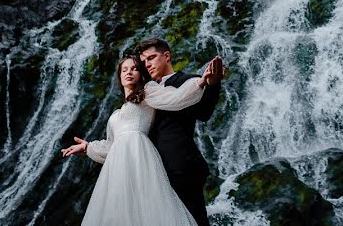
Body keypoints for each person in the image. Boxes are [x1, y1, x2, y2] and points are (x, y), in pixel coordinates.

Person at [60, 53, 222, 226]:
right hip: (118, 167)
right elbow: (111, 146)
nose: (129, 72)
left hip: (141, 159)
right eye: (124, 69)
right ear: (119, 76)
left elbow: (174, 97)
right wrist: (87, 148)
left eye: (134, 68)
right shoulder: (115, 114)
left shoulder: (147, 93)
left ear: (141, 74)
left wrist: (201, 82)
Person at [135, 38, 224, 226]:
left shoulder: (189, 81)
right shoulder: (145, 91)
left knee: (194, 220)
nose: (148, 64)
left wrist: (213, 85)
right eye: (144, 62)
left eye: (151, 58)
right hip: (152, 170)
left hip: (181, 165)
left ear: (167, 56)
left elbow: (204, 112)